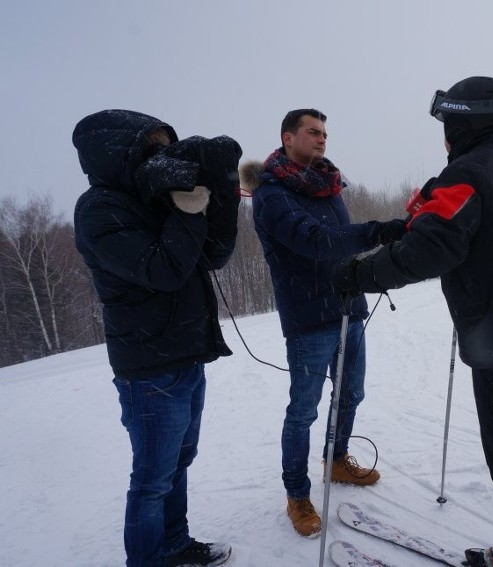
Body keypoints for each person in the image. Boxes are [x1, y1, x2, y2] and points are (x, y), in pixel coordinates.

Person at [331, 77, 493, 567]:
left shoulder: (468, 173)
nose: (444, 137)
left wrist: (360, 271)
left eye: (447, 124)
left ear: (461, 122)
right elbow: (484, 237)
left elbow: (431, 251)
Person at [72, 110, 242, 566]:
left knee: (178, 464)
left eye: (169, 147)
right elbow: (162, 270)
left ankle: (173, 544)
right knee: (152, 480)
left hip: (185, 355)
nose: (164, 158)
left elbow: (212, 257)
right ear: (119, 153)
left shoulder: (155, 199)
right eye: (153, 148)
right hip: (149, 369)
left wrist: (219, 193)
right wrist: (185, 210)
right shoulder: (100, 209)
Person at [240, 108, 404, 538]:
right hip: (309, 318)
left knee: (351, 393)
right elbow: (316, 243)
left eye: (325, 133)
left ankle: (336, 461)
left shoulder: (330, 184)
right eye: (313, 132)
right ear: (287, 137)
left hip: (348, 308)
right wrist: (382, 231)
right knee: (304, 411)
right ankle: (297, 494)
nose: (322, 139)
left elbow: (343, 248)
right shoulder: (271, 194)